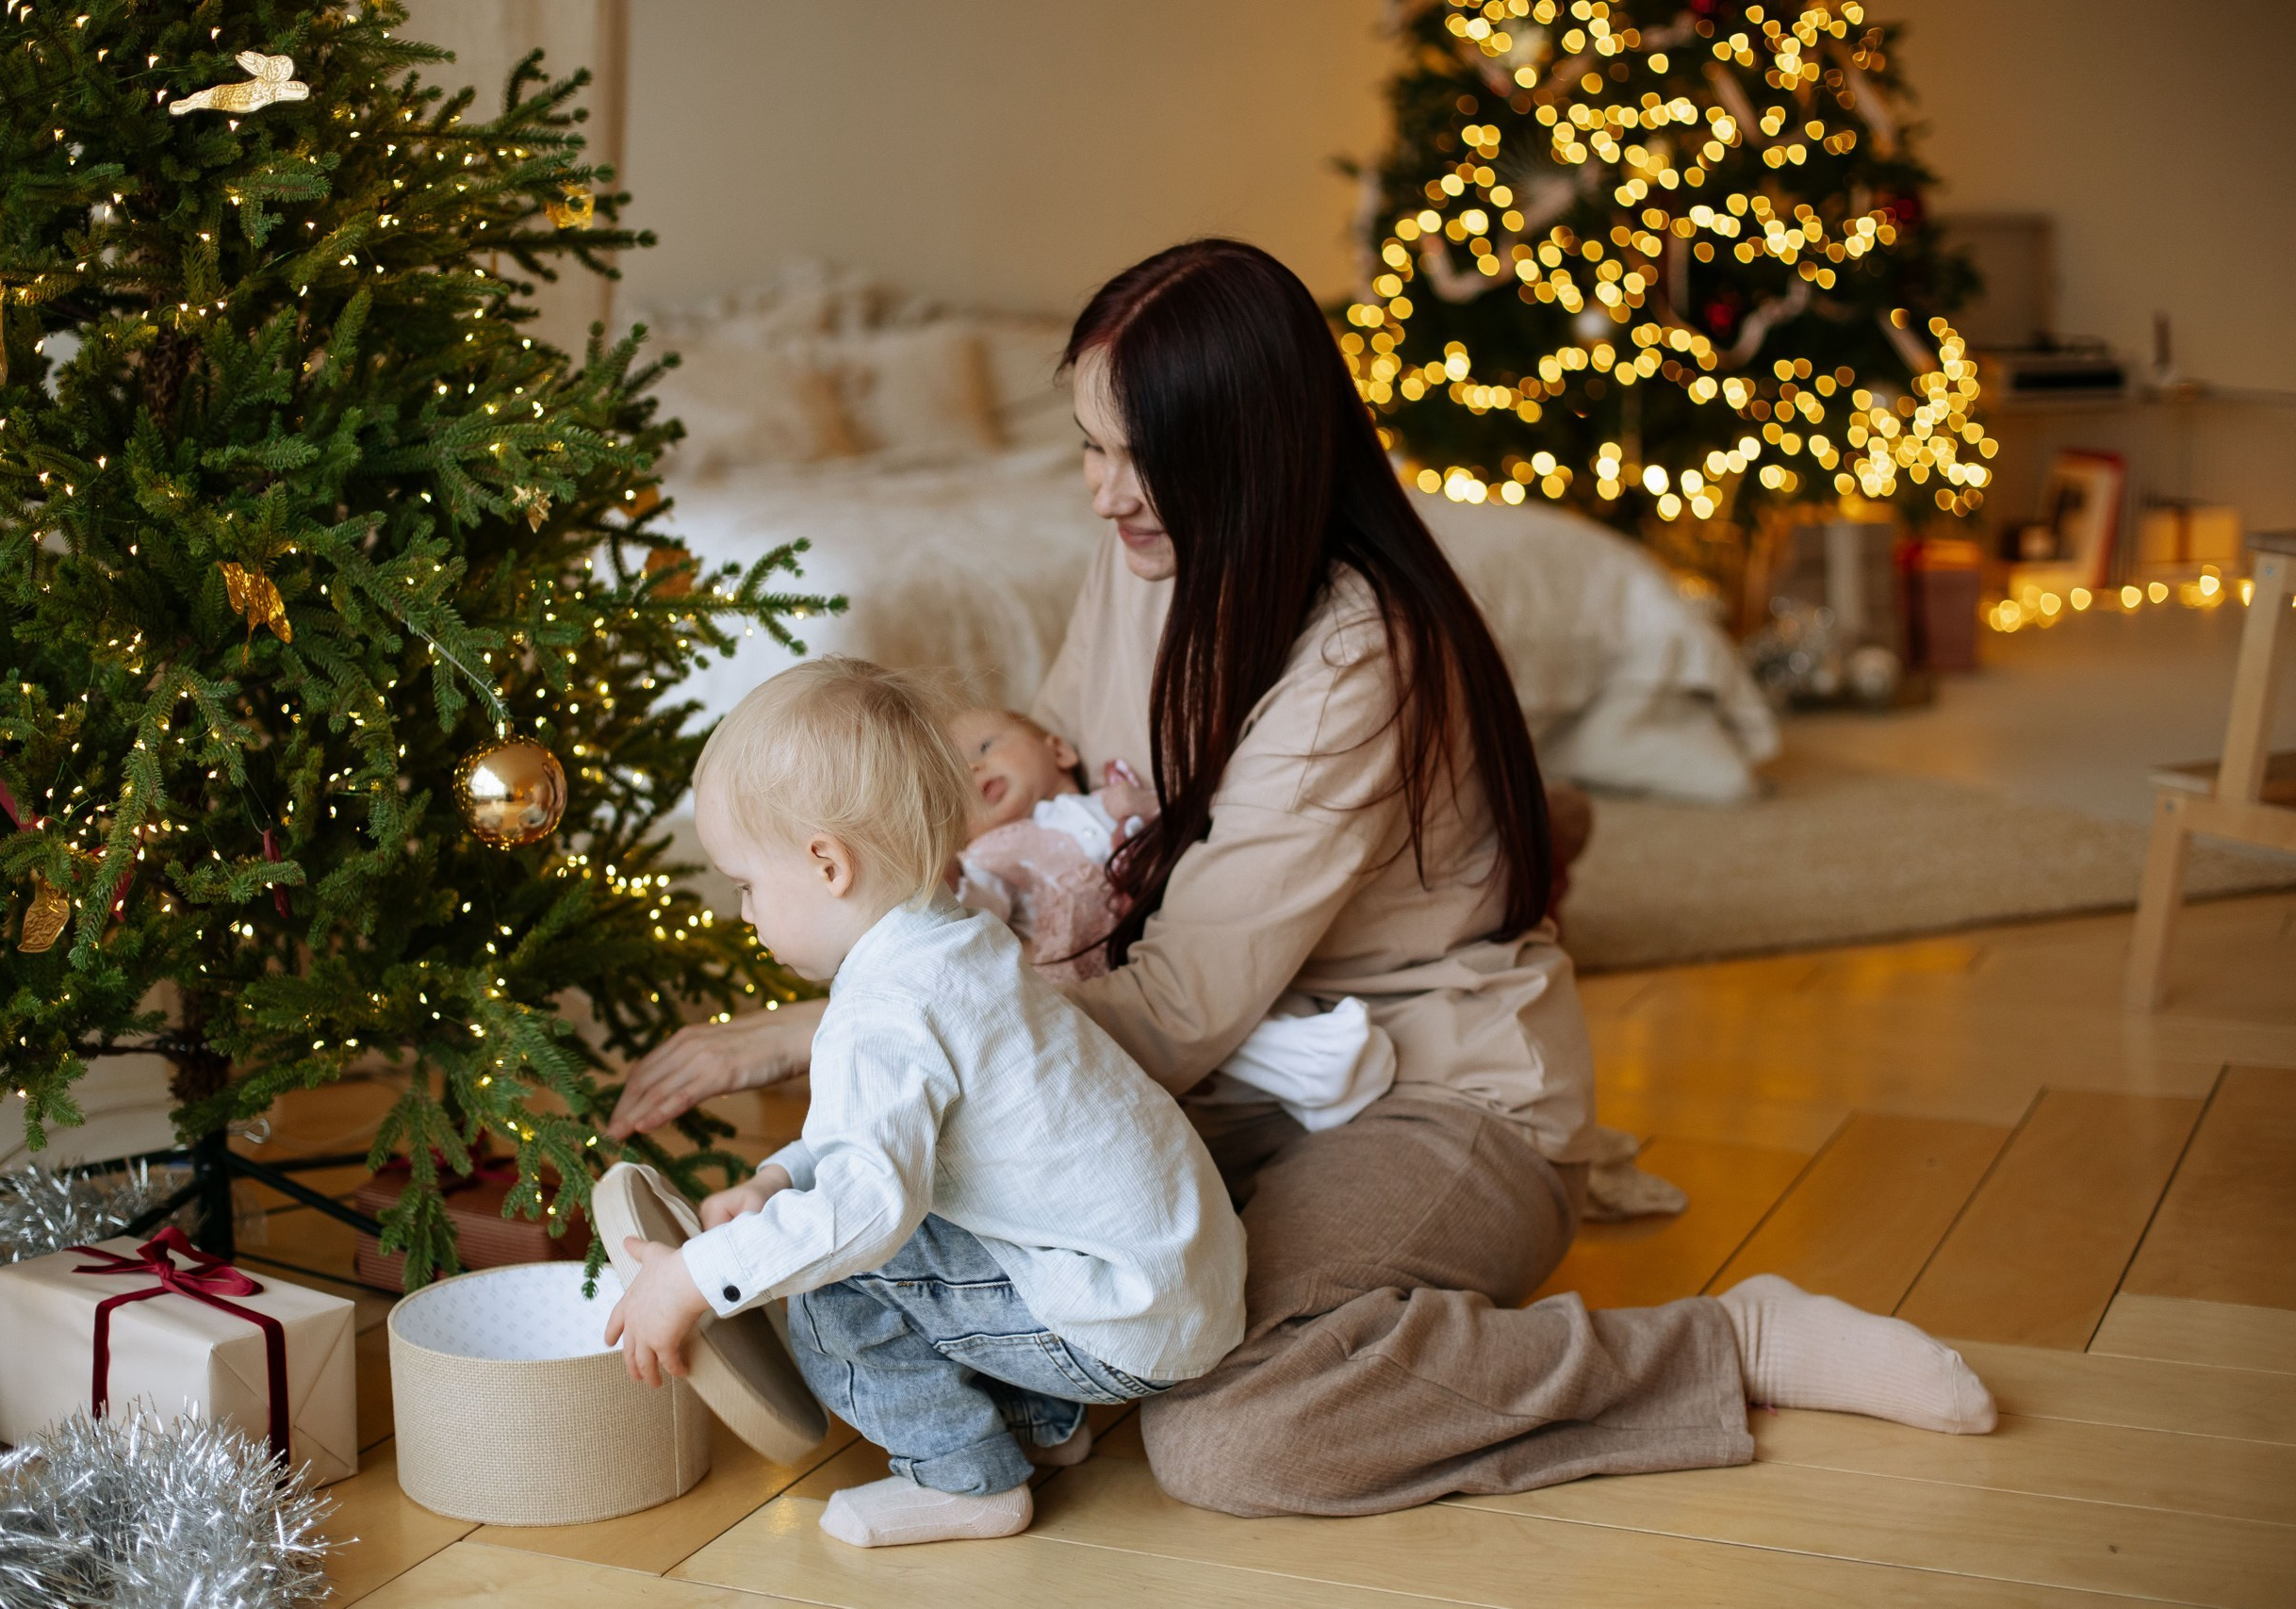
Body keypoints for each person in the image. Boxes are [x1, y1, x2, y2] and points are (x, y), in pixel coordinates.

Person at [611, 239, 1995, 1519]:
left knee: (1232, 1429)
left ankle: (1723, 1343)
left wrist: (826, 1028)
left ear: (1253, 454)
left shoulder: (1359, 654)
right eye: (1089, 446)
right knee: (972, 1194)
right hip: (1211, 1078)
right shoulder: (1138, 554)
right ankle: (965, 1364)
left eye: (1140, 459)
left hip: (1428, 1090)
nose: (1104, 491)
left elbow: (1163, 1009)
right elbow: (1061, 798)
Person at [602, 657, 1245, 1547]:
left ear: (827, 863)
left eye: (745, 883)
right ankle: (1038, 1422)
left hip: (1119, 1318)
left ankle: (964, 1479)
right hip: (1169, 1275)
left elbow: (868, 1207)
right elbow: (874, 1136)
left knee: (835, 1277)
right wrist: (778, 1176)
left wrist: (694, 1275)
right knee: (869, 1213)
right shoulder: (953, 941)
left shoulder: (885, 1009)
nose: (745, 912)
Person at [948, 704, 1394, 1130]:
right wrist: (956, 884)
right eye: (951, 784)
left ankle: (1310, 1078)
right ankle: (1318, 1067)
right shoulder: (992, 853)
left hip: (1159, 943)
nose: (972, 772)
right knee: (1158, 1032)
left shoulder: (1116, 799)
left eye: (984, 748)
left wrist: (1141, 804)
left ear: (1059, 750)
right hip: (1086, 981)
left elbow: (1198, 818)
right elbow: (978, 908)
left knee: (1217, 1010)